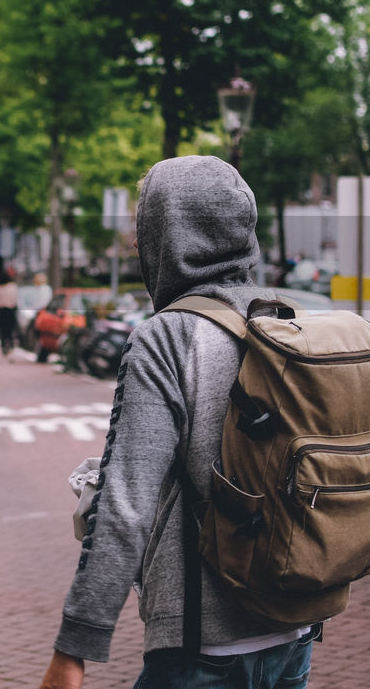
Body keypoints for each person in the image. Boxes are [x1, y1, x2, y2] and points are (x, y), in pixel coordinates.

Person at [38, 156, 314, 689]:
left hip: (201, 646)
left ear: (168, 237)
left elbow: (124, 507)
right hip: (293, 635)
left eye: (146, 227)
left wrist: (75, 647)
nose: (140, 244)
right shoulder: (285, 320)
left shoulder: (166, 338)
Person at [0, 271, 20, 357]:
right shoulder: (13, 286)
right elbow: (16, 298)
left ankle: (4, 346)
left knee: (2, 330)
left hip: (1, 310)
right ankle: (10, 345)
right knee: (10, 330)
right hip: (11, 310)